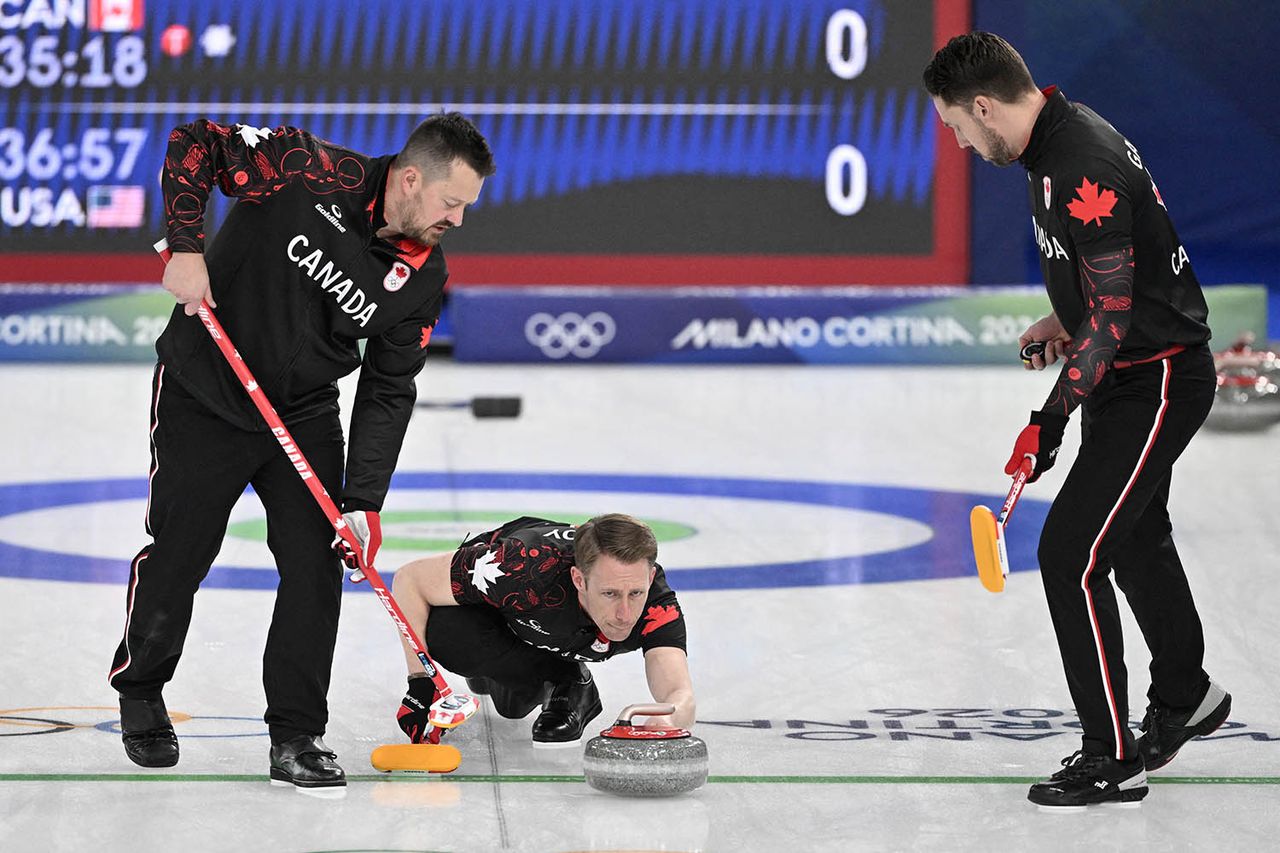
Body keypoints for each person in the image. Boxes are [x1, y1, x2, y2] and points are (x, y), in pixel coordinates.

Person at [107, 113, 496, 792]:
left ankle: (296, 734)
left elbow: (389, 387)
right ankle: (141, 686)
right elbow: (194, 143)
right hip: (205, 389)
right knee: (182, 551)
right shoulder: (305, 169)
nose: (457, 220)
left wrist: (363, 500)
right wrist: (188, 246)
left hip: (304, 412)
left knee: (317, 567)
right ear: (410, 179)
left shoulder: (422, 275)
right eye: (451, 202)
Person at [923, 33, 1230, 809]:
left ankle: (1111, 756)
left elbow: (1116, 320)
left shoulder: (1078, 161)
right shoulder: (1049, 146)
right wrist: (1061, 320)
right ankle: (1186, 694)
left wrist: (1049, 419)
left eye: (956, 126)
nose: (959, 144)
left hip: (1156, 380)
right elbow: (1109, 281)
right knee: (1131, 538)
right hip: (1130, 373)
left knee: (1069, 554)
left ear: (983, 107)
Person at [388, 514, 695, 747]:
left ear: (649, 577)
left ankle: (563, 681)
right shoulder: (519, 566)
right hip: (504, 614)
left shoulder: (656, 603)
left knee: (511, 706)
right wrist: (420, 682)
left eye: (635, 593)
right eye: (609, 594)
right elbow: (410, 580)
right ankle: (562, 678)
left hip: (547, 629)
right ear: (578, 580)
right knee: (448, 633)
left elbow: (678, 692)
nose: (625, 614)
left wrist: (668, 719)